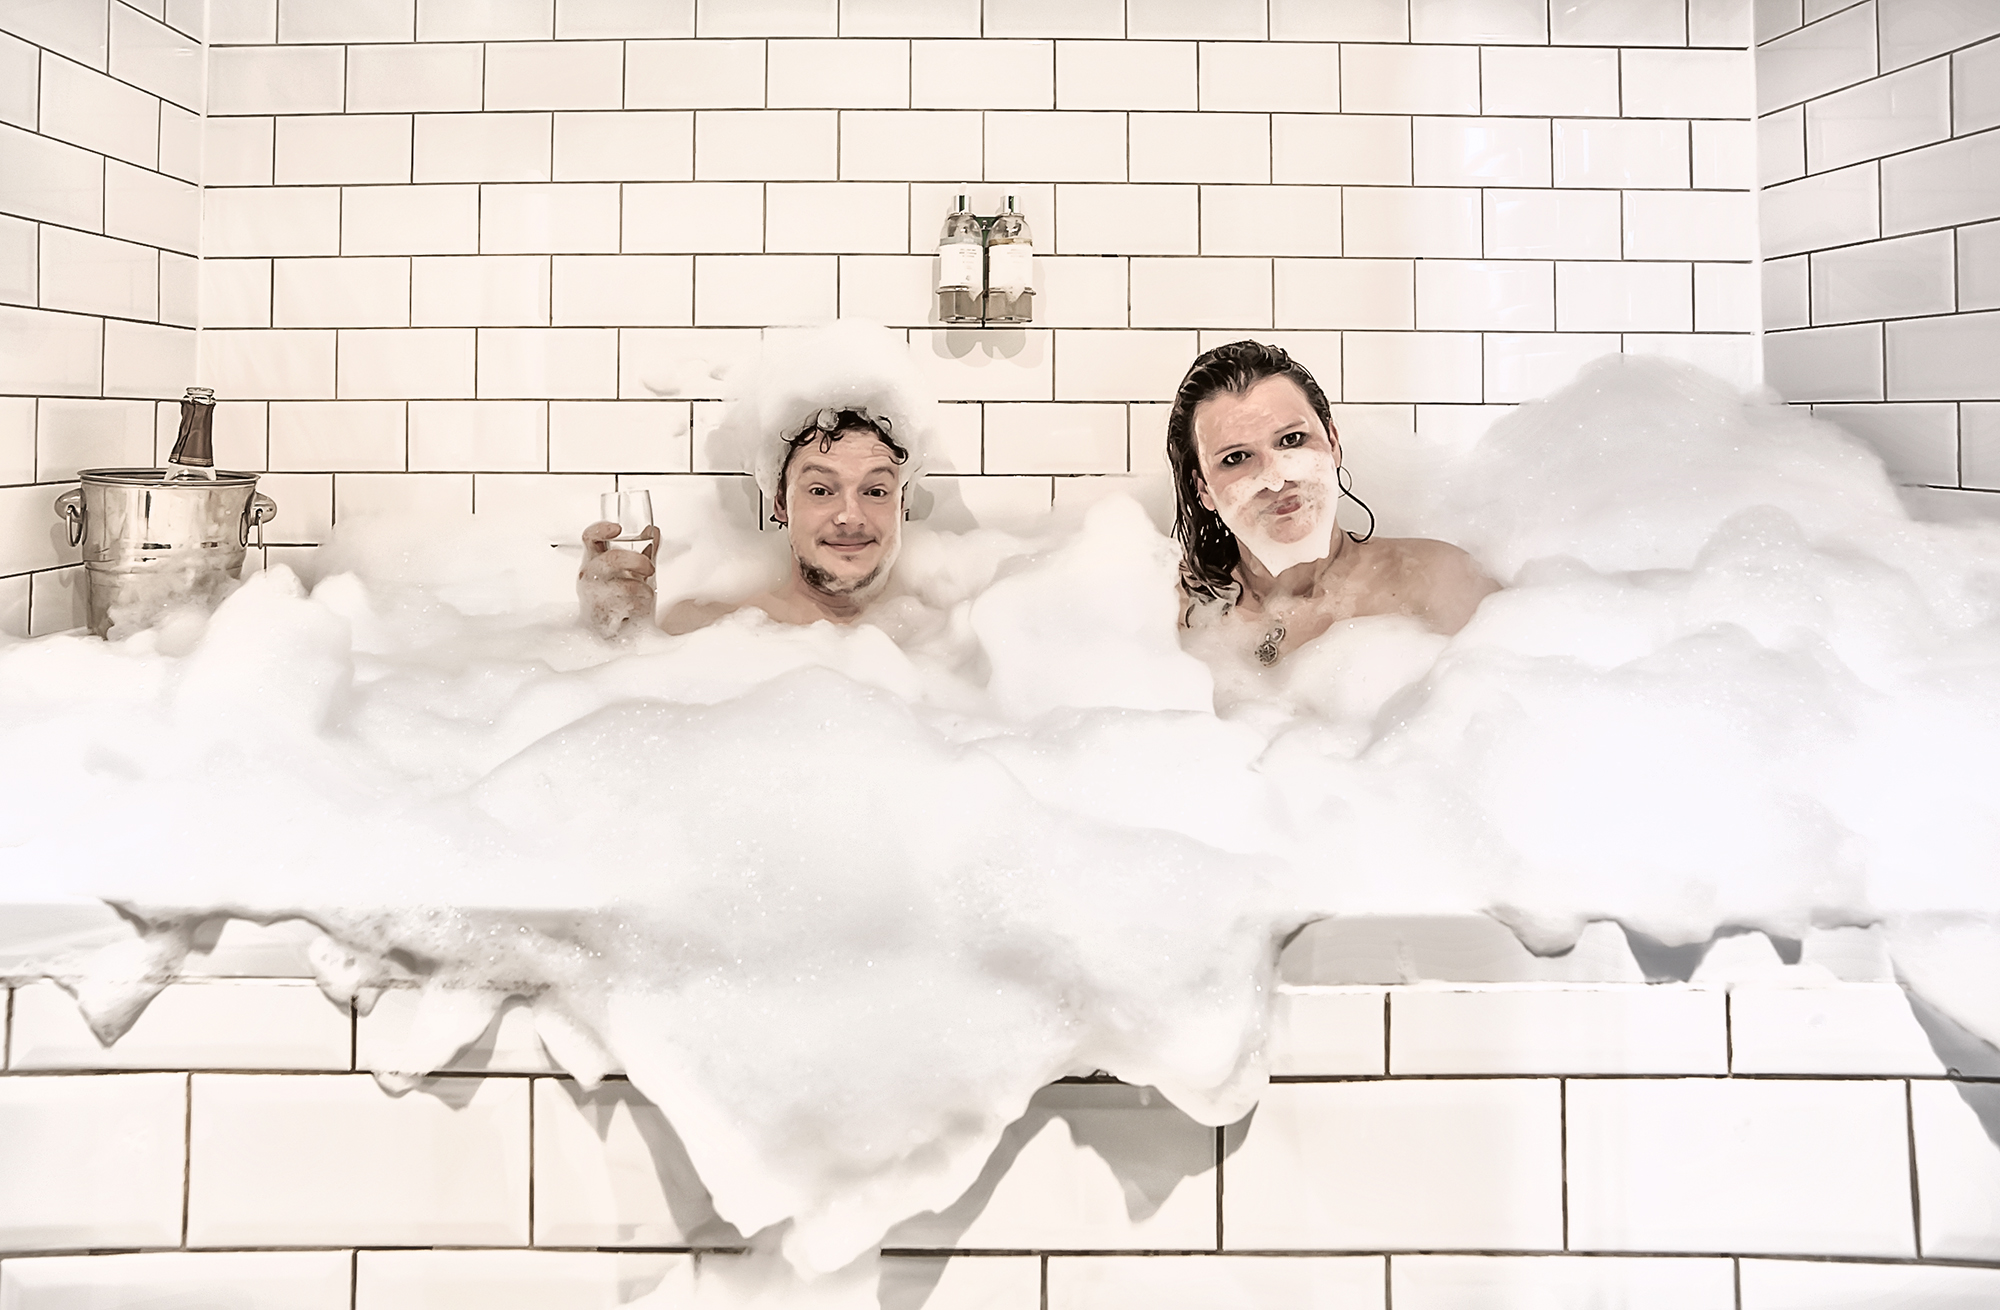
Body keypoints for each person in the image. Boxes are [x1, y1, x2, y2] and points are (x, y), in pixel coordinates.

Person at [1166, 340, 1497, 666]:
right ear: (1204, 490)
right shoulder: (1167, 611)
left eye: (1292, 439)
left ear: (1333, 443)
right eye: (1236, 458)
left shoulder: (1439, 581)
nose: (1276, 479)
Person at [578, 406, 912, 637]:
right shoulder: (703, 631)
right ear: (781, 504)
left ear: (900, 506)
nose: (850, 516)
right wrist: (611, 627)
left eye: (876, 491)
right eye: (821, 490)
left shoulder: (944, 639)